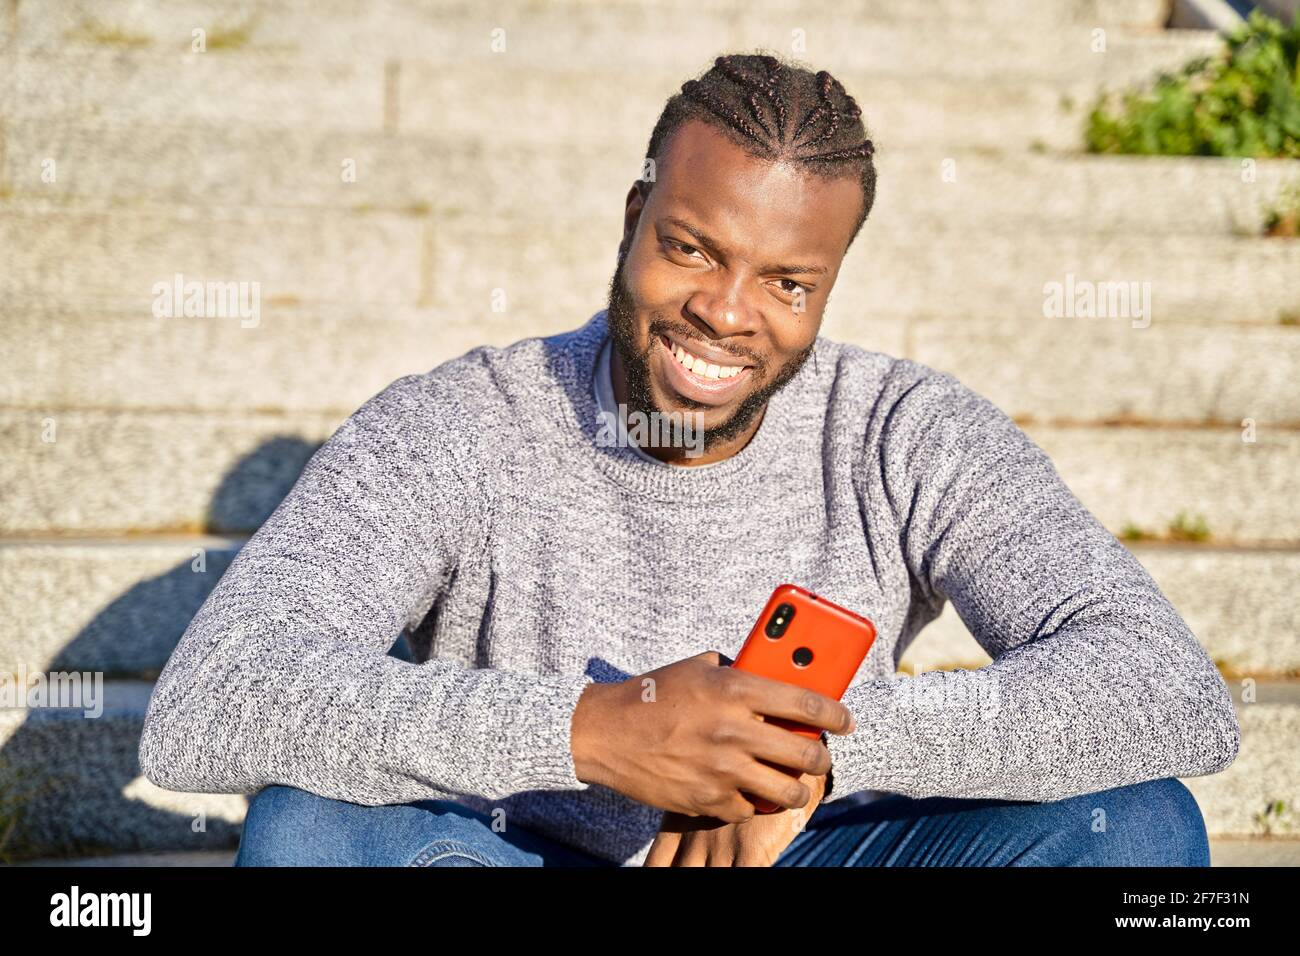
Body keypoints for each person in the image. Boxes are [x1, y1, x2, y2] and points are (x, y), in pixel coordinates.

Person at [138, 53, 1239, 867]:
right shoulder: (458, 425)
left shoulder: (906, 430)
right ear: (633, 218)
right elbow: (211, 700)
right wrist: (591, 733)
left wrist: (802, 755)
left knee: (1139, 829)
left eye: (786, 282)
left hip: (811, 853)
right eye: (692, 247)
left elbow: (1170, 688)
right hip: (515, 853)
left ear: (827, 288)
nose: (725, 311)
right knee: (309, 832)